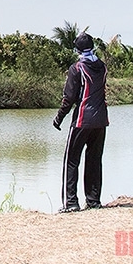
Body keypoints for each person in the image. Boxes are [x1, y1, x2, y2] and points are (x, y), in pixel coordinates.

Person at [53, 31, 109, 212]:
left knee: (71, 161)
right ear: (93, 47)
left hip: (82, 120)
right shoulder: (102, 66)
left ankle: (71, 203)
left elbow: (68, 98)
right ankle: (93, 202)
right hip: (100, 121)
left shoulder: (76, 68)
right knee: (94, 161)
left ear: (77, 49)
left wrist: (59, 118)